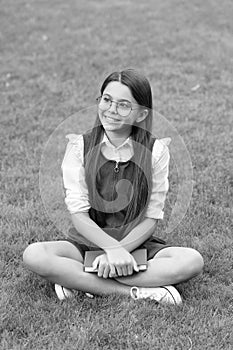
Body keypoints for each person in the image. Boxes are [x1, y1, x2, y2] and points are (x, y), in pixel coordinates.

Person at [23, 68, 204, 305]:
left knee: (191, 260)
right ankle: (136, 292)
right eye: (107, 100)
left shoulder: (156, 151)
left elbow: (152, 217)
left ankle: (80, 281)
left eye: (123, 105)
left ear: (141, 114)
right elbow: (78, 214)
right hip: (87, 242)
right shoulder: (79, 147)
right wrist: (109, 249)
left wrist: (121, 250)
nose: (111, 110)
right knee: (35, 255)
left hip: (136, 242)